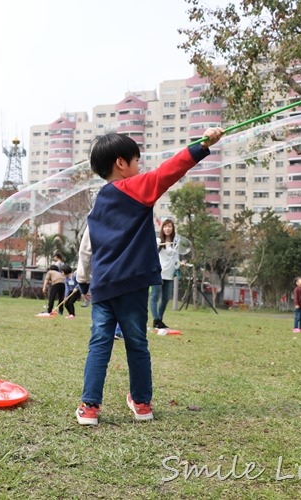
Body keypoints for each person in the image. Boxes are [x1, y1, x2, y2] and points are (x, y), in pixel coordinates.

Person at [75, 128, 224, 425]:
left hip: (103, 285)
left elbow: (86, 245)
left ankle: (90, 407)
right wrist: (203, 144)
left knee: (100, 342)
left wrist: (82, 279)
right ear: (121, 163)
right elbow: (171, 170)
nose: (140, 167)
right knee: (136, 341)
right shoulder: (136, 187)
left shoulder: (98, 202)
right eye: (136, 160)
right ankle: (142, 403)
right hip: (133, 284)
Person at [150, 219, 180, 329]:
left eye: (169, 227)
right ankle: (156, 319)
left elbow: (176, 258)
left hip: (169, 274)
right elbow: (152, 254)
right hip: (158, 273)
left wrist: (179, 264)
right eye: (165, 226)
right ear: (162, 228)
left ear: (172, 229)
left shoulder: (175, 243)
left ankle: (159, 319)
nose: (167, 228)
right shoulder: (158, 241)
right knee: (155, 297)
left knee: (166, 298)